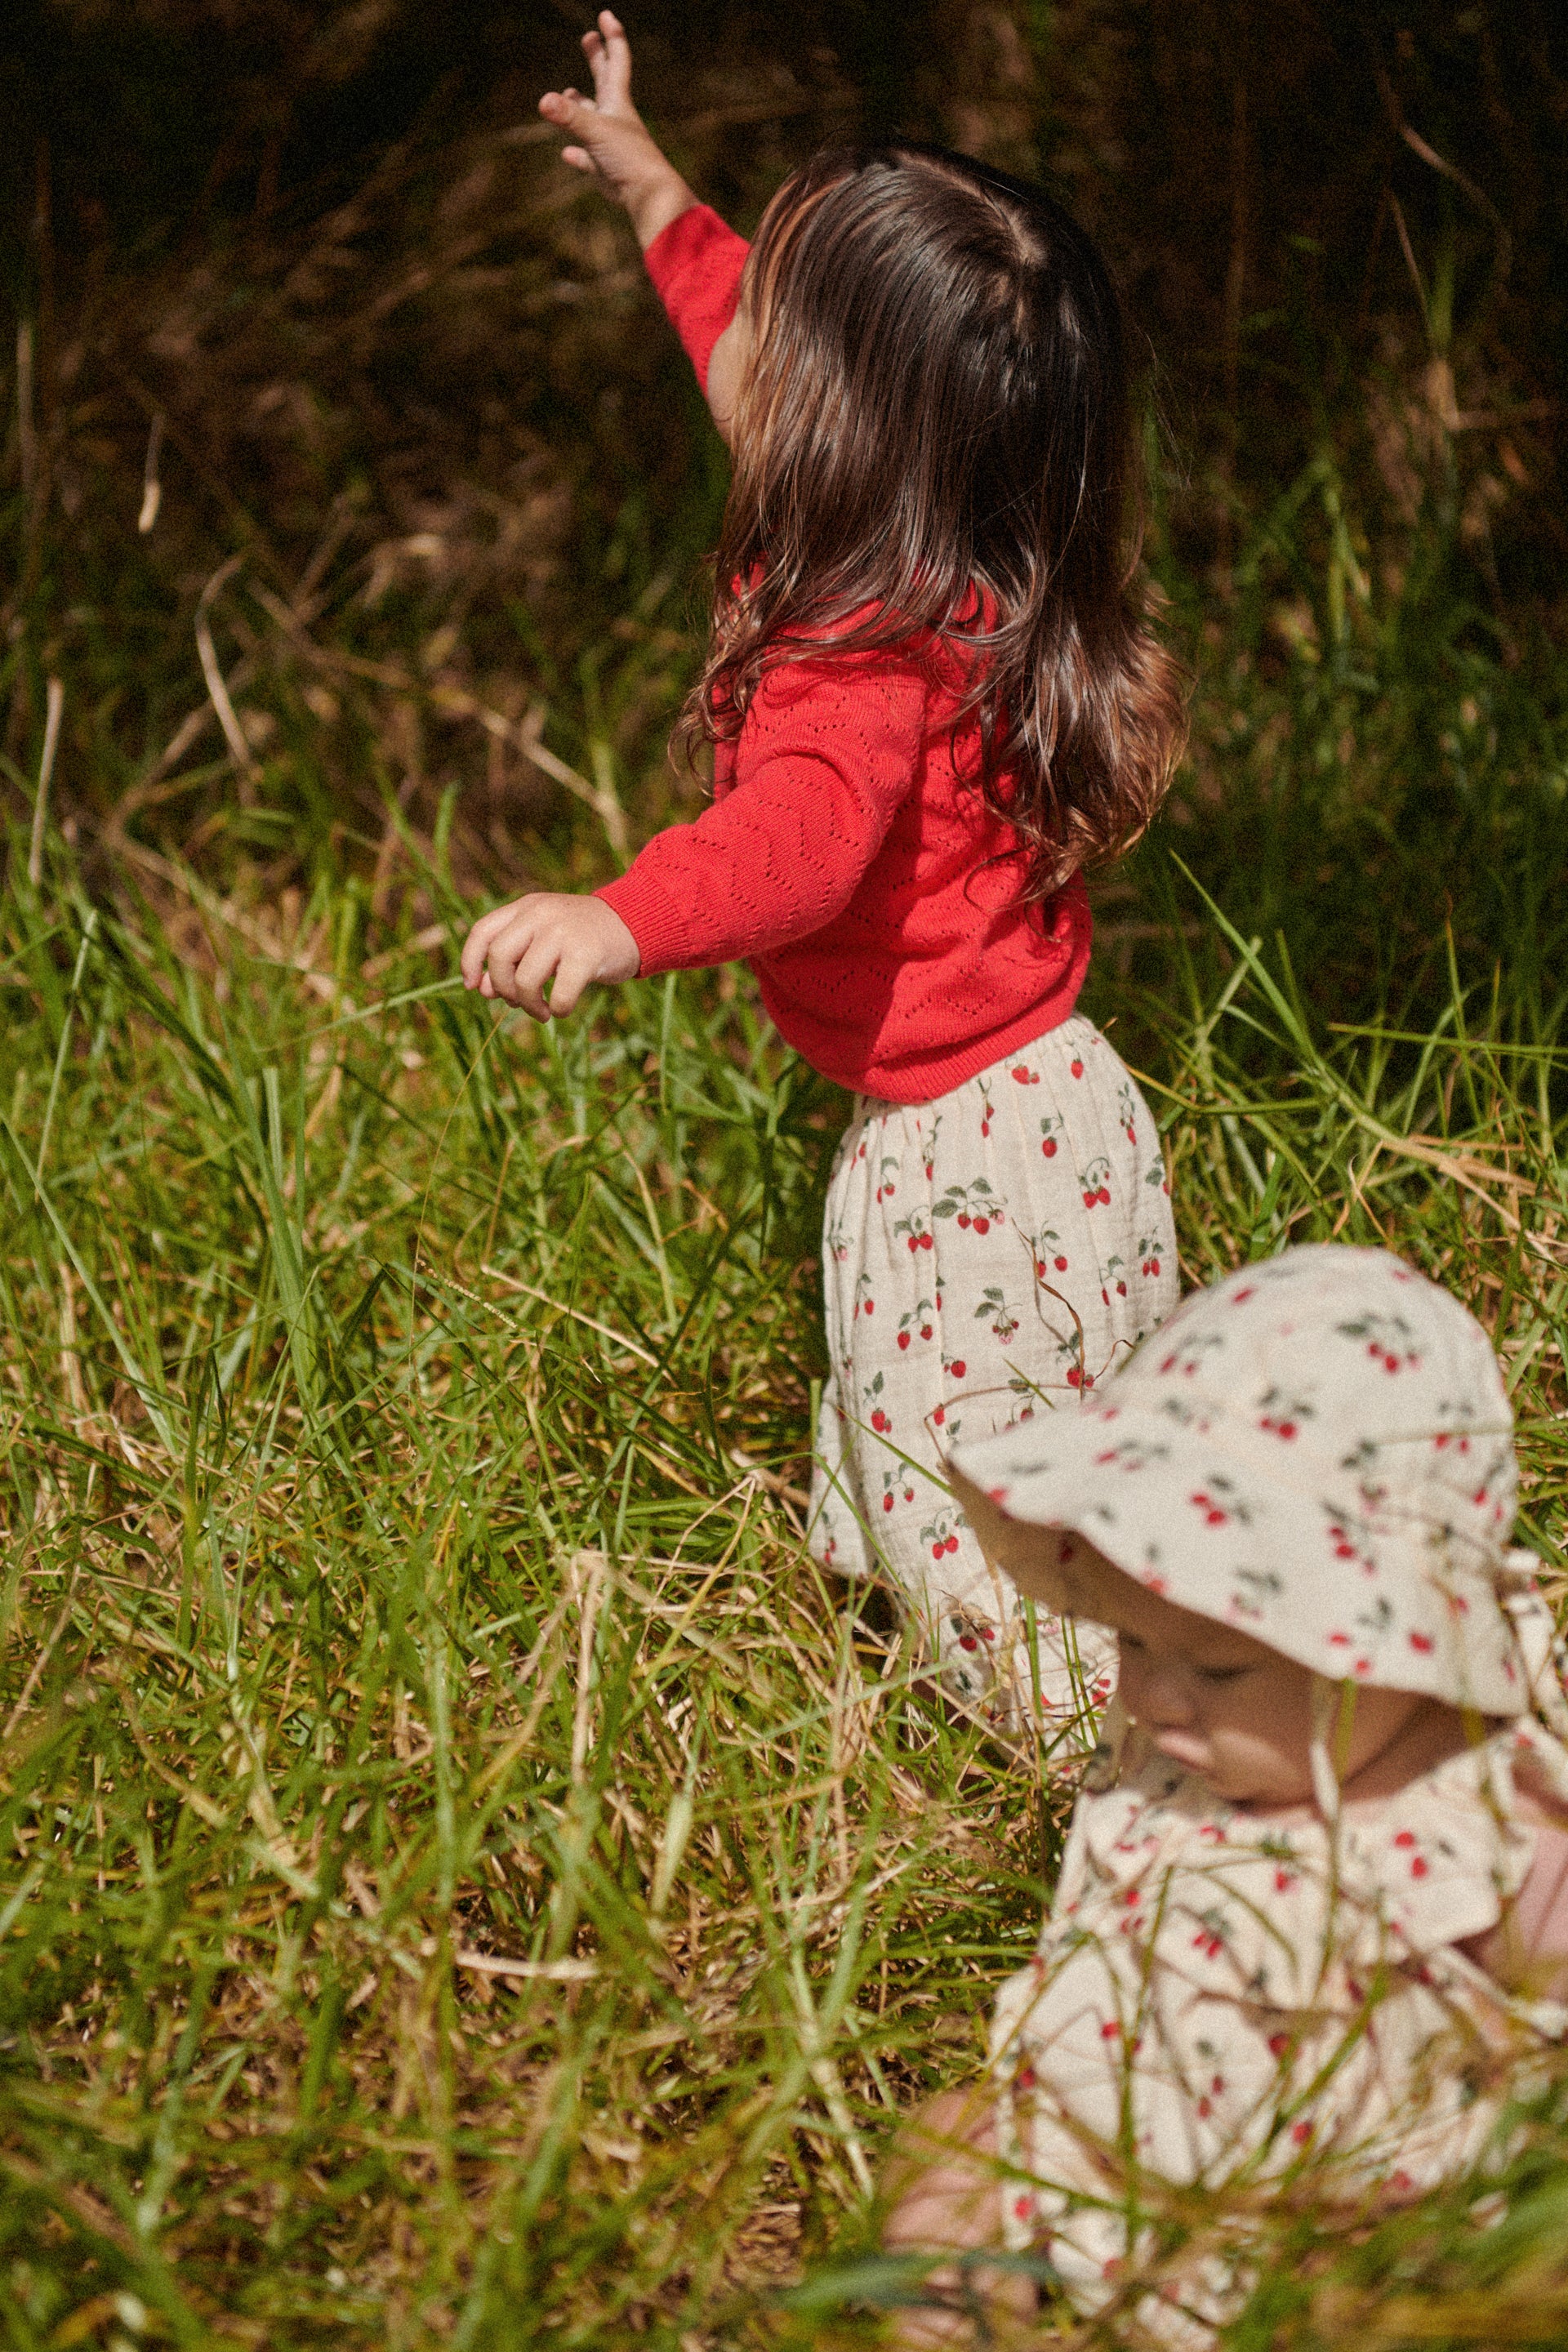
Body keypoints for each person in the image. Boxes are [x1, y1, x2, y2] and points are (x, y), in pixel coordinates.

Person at [461, 12, 1187, 1735]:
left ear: (839, 422)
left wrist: (619, 914)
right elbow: (742, 349)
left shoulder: (853, 662)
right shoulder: (957, 541)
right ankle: (1151, 1651)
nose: (747, 355)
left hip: (954, 1174)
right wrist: (655, 197)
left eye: (784, 333)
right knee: (1054, 1451)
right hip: (1069, 1115)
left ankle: (1143, 1777)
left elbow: (788, 854)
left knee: (981, 1537)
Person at [880, 1245, 1568, 2346]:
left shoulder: (1474, 1822)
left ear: (1392, 1645)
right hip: (1106, 2150)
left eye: (1219, 1669)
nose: (1149, 1696)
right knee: (951, 2138)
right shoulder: (1188, 1756)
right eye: (1128, 1641)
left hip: (1344, 2217)